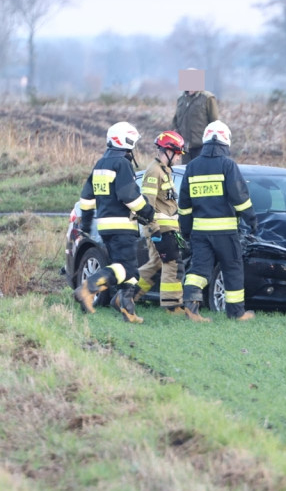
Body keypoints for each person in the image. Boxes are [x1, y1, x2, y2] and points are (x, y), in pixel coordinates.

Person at [73, 121, 156, 323]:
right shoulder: (122, 164)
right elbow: (129, 196)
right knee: (127, 269)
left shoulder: (100, 163)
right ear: (126, 141)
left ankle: (127, 309)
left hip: (104, 226)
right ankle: (88, 288)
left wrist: (85, 224)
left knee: (127, 272)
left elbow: (86, 199)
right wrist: (147, 211)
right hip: (122, 225)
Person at [179, 120, 257, 322]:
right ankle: (236, 313)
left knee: (199, 270)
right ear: (225, 142)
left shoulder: (192, 167)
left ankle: (191, 308)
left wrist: (186, 230)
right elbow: (239, 197)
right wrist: (252, 220)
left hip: (200, 233)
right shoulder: (227, 165)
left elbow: (185, 204)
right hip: (225, 232)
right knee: (232, 269)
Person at [136, 130, 187, 313]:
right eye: (178, 154)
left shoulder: (165, 171)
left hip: (168, 227)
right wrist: (153, 229)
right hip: (160, 228)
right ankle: (172, 306)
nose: (179, 158)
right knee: (172, 264)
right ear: (168, 151)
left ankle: (128, 296)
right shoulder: (154, 171)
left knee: (155, 264)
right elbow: (146, 204)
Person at [172, 86, 219, 164]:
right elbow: (175, 121)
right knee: (186, 172)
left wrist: (213, 144)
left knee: (200, 173)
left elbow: (214, 123)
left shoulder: (207, 98)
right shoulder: (181, 99)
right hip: (185, 148)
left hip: (202, 147)